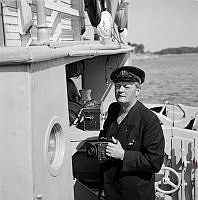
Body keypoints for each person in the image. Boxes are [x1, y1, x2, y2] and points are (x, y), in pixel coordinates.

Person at [99, 65, 165, 200]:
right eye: (117, 86)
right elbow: (105, 136)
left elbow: (154, 162)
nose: (120, 90)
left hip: (135, 194)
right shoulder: (113, 109)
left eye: (126, 86)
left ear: (137, 91)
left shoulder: (149, 119)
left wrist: (123, 155)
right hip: (110, 190)